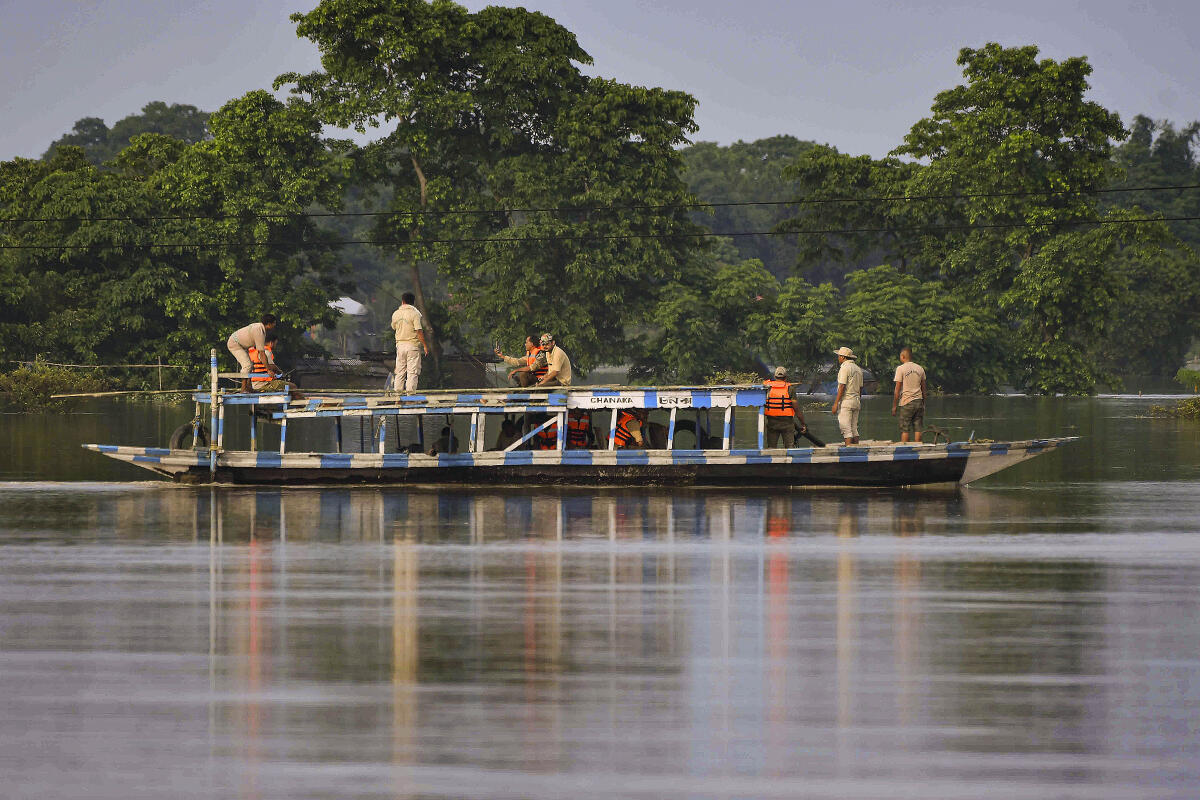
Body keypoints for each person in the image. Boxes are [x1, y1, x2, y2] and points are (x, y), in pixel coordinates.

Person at [390, 292, 429, 393]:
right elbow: (419, 331)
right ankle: (410, 397)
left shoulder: (396, 314)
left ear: (402, 301)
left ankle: (397, 397)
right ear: (413, 302)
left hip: (400, 346)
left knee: (400, 372)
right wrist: (424, 345)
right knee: (412, 372)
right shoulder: (415, 314)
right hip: (412, 346)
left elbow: (393, 327)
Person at [227, 314, 277, 391]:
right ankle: (243, 388)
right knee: (247, 365)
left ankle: (248, 387)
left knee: (250, 365)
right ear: (269, 324)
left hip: (242, 345)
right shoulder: (259, 331)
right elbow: (262, 354)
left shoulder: (260, 328)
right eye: (274, 323)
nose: (275, 325)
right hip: (235, 344)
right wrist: (269, 370)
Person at [762, 366, 807, 448]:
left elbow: (764, 383)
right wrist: (803, 424)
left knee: (771, 448)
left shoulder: (767, 388)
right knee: (790, 447)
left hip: (772, 422)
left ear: (775, 377)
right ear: (785, 377)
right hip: (787, 423)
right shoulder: (790, 389)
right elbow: (796, 409)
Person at [892, 346, 927, 442]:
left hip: (906, 402)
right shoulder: (920, 368)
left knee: (905, 429)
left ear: (903, 357)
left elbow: (897, 390)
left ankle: (905, 451)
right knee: (918, 428)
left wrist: (894, 406)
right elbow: (924, 389)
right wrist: (923, 404)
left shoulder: (901, 369)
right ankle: (918, 450)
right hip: (919, 401)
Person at [830, 346, 863, 446]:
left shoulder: (845, 368)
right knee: (854, 429)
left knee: (846, 429)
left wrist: (836, 403)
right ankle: (857, 452)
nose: (838, 358)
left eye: (839, 356)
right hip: (856, 400)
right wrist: (858, 400)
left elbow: (842, 387)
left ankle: (849, 452)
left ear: (843, 357)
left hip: (847, 401)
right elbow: (861, 388)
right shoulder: (858, 369)